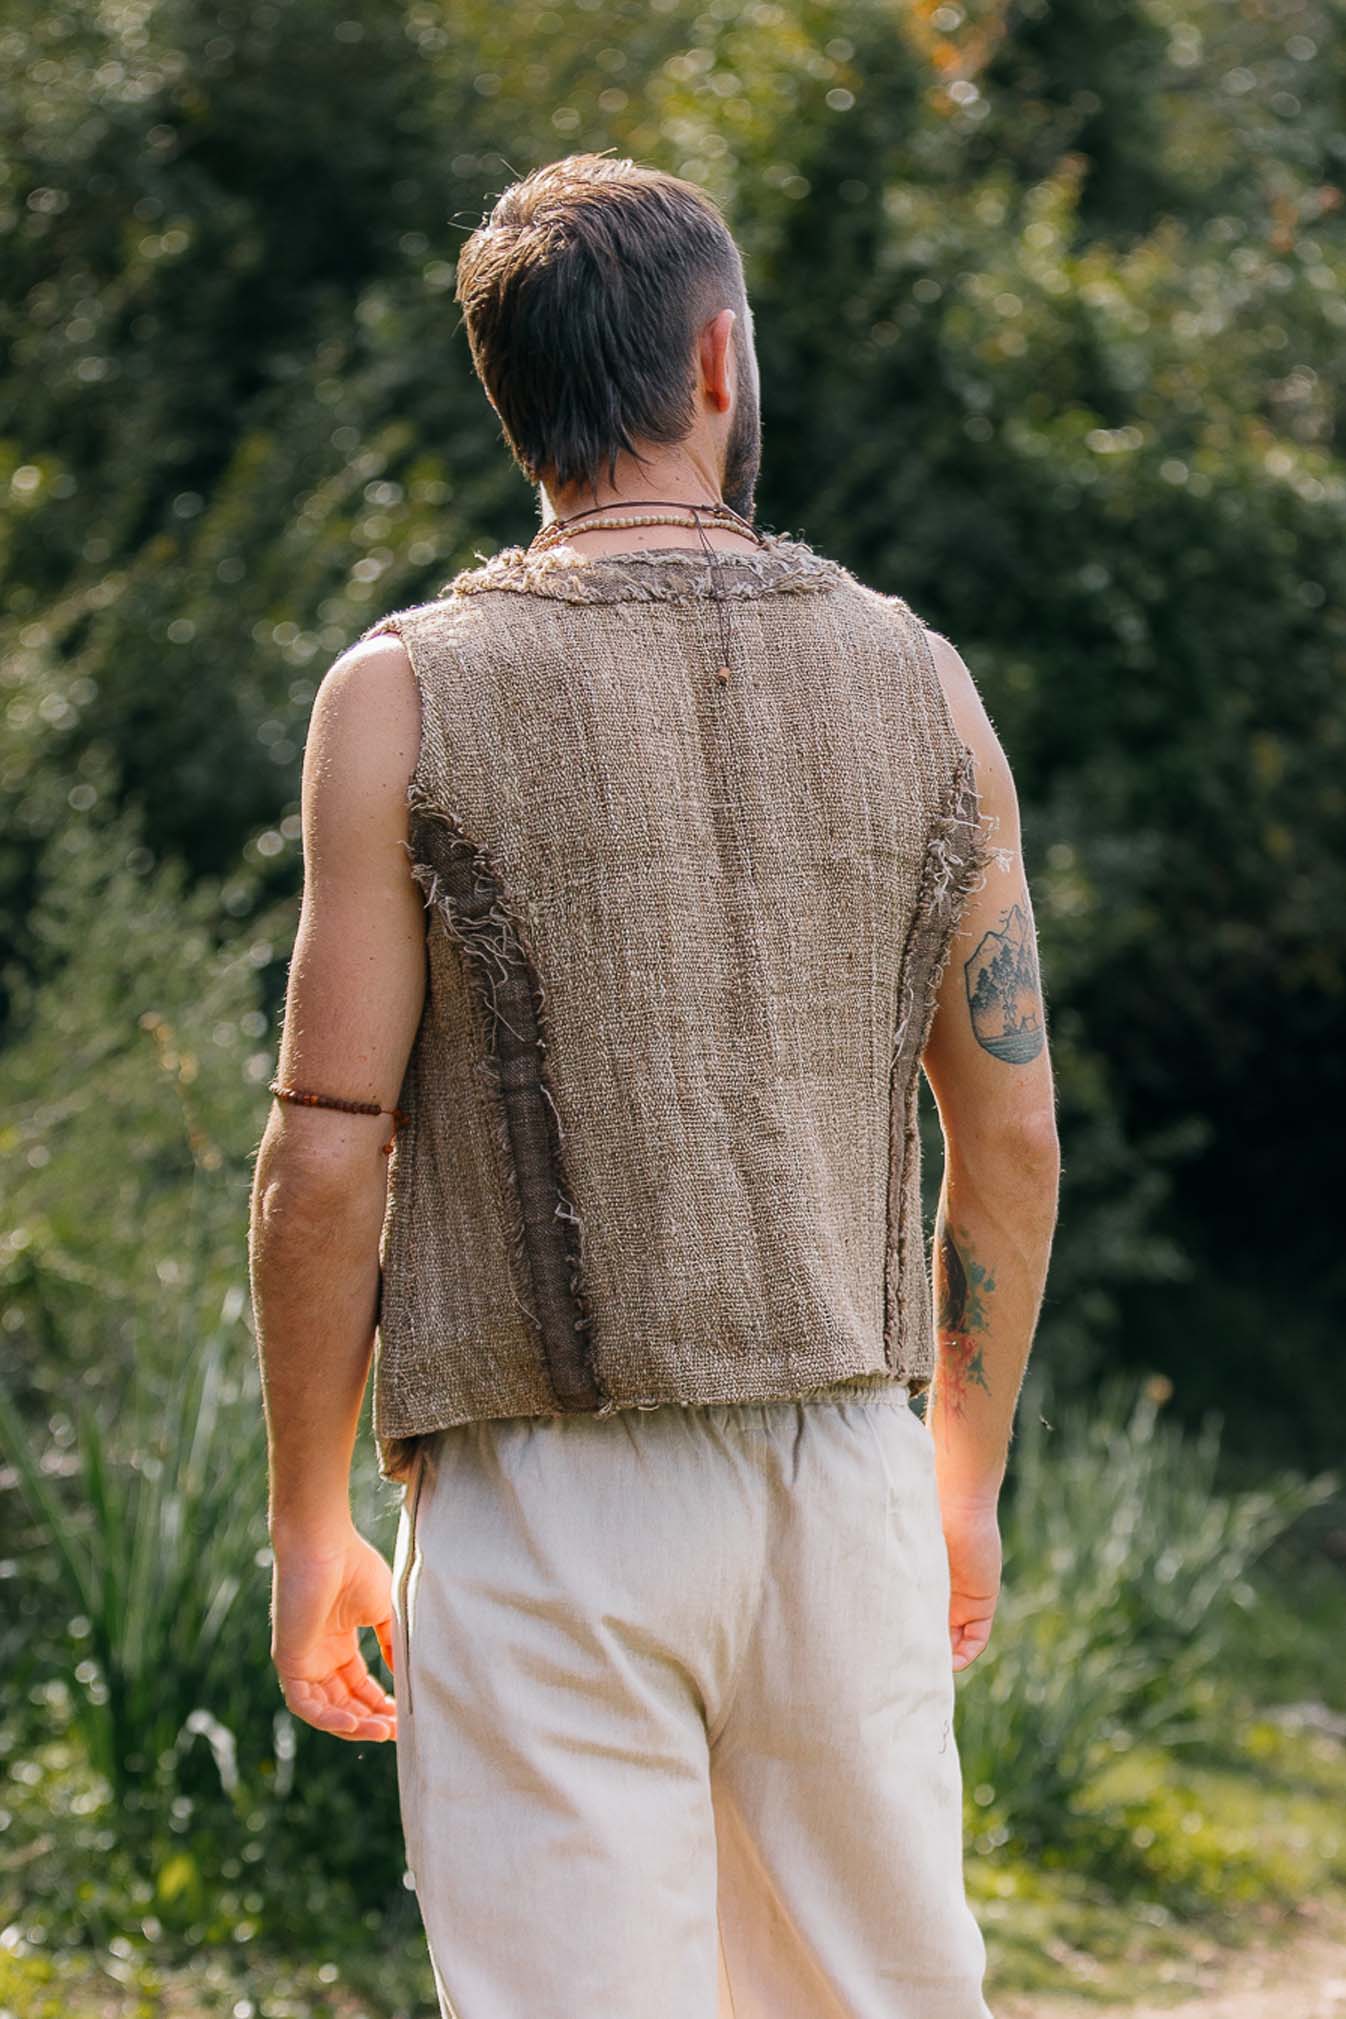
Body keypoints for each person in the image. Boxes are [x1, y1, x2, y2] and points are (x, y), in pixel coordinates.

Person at [248, 150, 1060, 2019]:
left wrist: (305, 1518)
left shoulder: (403, 694)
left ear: (510, 397)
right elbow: (1008, 1127)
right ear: (716, 363)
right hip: (841, 1468)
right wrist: (961, 1472)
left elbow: (326, 1155)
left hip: (535, 1489)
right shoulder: (921, 684)